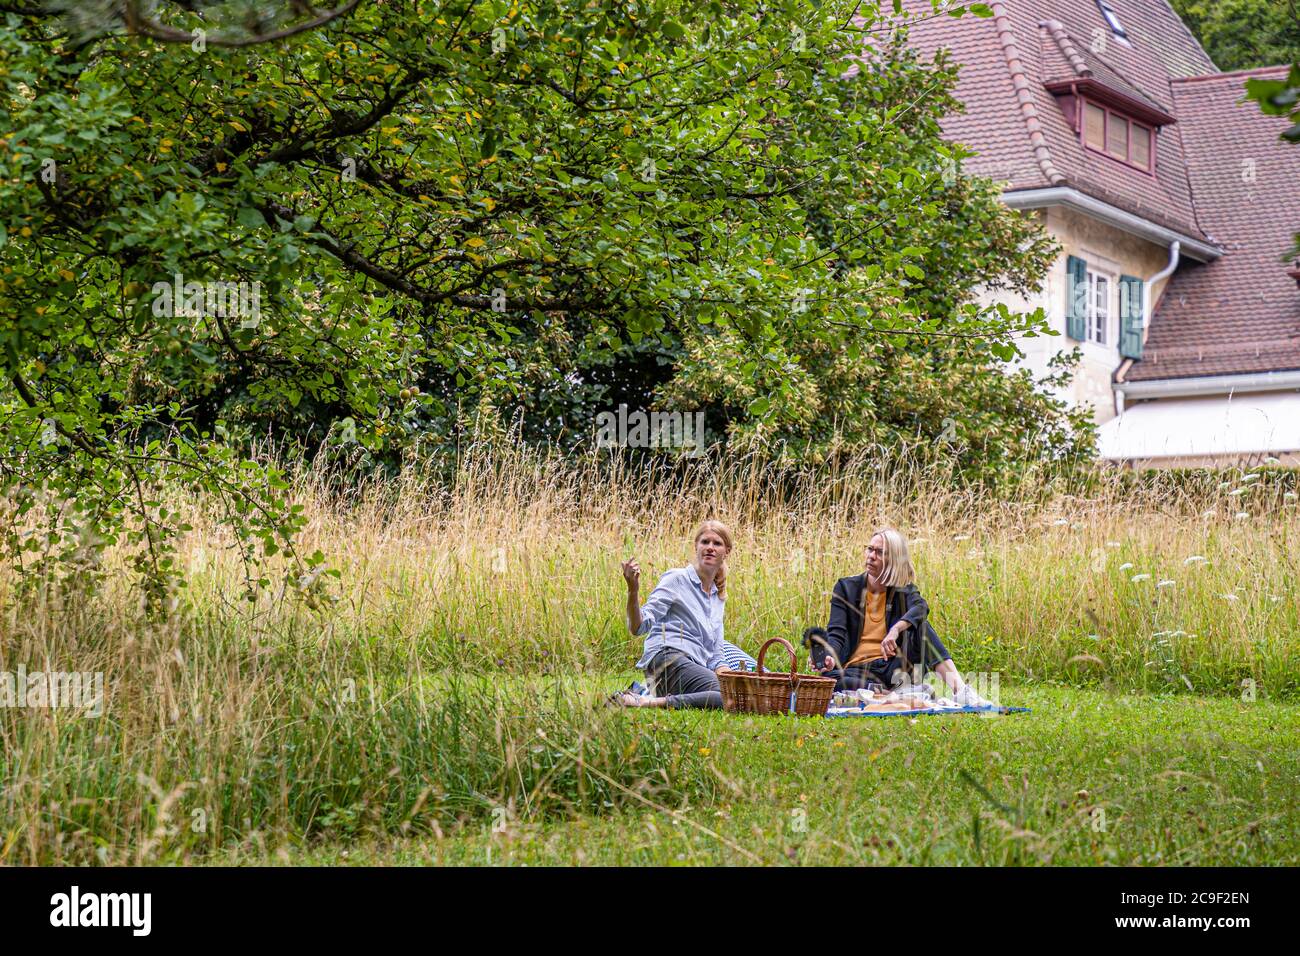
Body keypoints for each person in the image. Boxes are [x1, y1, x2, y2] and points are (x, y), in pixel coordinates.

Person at [811, 528, 988, 706]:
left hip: (893, 666)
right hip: (856, 671)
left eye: (880, 552)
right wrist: (830, 657)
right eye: (870, 549)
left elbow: (921, 607)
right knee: (829, 680)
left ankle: (961, 691)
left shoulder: (903, 588)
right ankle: (900, 694)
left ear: (893, 559)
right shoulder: (845, 588)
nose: (871, 556)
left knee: (922, 627)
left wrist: (896, 629)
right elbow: (836, 634)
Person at [613, 520, 736, 709]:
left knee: (733, 693)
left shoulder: (718, 597)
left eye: (717, 543)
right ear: (696, 546)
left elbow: (716, 656)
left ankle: (641, 691)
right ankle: (645, 701)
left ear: (726, 551)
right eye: (705, 542)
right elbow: (638, 627)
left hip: (693, 667)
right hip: (666, 659)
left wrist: (734, 680)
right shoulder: (677, 579)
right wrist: (633, 590)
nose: (710, 548)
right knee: (726, 697)